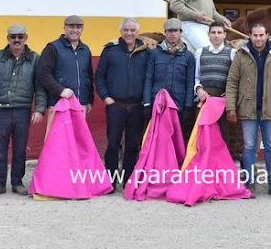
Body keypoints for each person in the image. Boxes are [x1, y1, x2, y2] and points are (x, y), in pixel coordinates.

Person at [225, 24, 271, 197]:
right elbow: (232, 82)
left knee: (270, 146)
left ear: (267, 35)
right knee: (248, 146)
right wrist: (231, 106)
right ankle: (250, 184)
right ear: (249, 36)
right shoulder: (241, 55)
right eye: (255, 35)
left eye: (261, 35)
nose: (258, 39)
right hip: (248, 108)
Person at [0, 24, 47, 196]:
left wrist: (39, 109)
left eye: (20, 37)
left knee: (20, 149)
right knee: (0, 149)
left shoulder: (35, 59)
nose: (16, 40)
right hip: (0, 110)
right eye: (13, 37)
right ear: (7, 38)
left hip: (23, 111)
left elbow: (40, 87)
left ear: (26, 37)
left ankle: (17, 182)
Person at [95, 17, 151, 191]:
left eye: (132, 30)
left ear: (137, 32)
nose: (129, 33)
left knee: (133, 145)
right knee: (113, 144)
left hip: (136, 106)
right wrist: (106, 98)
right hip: (116, 105)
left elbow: (151, 77)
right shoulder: (110, 51)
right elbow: (99, 76)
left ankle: (128, 180)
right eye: (126, 30)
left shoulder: (145, 52)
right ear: (121, 31)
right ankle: (111, 181)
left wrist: (145, 99)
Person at [37, 15, 94, 130]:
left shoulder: (85, 50)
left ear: (82, 30)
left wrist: (89, 100)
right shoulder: (53, 48)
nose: (75, 30)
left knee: (77, 141)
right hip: (59, 104)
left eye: (78, 27)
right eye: (71, 27)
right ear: (64, 28)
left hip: (79, 104)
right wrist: (60, 90)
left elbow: (88, 76)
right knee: (57, 142)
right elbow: (43, 73)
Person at [143, 18, 196, 139]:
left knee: (176, 140)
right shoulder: (155, 54)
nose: (172, 34)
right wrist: (147, 103)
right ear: (165, 32)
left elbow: (190, 83)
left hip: (179, 105)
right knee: (158, 140)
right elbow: (148, 80)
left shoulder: (188, 56)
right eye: (169, 31)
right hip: (158, 105)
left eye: (175, 31)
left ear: (180, 32)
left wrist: (188, 106)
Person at [194, 21, 236, 143]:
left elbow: (234, 78)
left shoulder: (232, 53)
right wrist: (199, 90)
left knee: (223, 134)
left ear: (225, 35)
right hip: (205, 98)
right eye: (213, 32)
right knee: (203, 134)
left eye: (219, 32)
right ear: (208, 35)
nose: (216, 35)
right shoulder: (200, 52)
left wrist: (229, 94)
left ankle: (222, 162)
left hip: (223, 99)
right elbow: (196, 77)